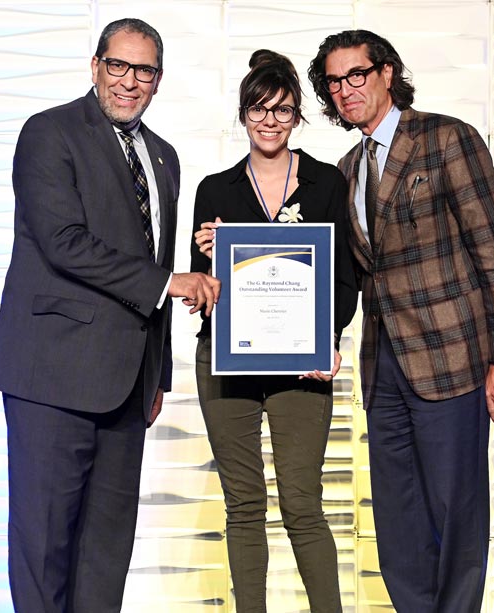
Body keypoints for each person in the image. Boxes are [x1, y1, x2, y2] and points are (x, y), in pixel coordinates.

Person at [0, 18, 220, 612]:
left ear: (158, 81)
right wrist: (169, 281)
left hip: (128, 384)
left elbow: (154, 255)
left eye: (143, 71)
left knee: (106, 553)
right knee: (44, 548)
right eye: (118, 66)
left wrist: (157, 372)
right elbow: (63, 241)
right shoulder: (50, 133)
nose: (128, 82)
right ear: (95, 66)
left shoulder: (163, 156)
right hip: (52, 375)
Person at [308, 30, 494, 612]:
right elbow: (345, 272)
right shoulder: (347, 167)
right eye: (334, 82)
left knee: (455, 512)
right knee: (398, 519)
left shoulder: (446, 138)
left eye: (356, 75)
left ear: (386, 74)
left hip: (452, 358)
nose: (345, 90)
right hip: (383, 370)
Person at [191, 50, 358, 613]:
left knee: (302, 505)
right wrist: (207, 263)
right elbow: (203, 289)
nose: (269, 121)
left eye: (282, 110)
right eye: (258, 110)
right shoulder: (215, 190)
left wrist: (329, 337)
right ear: (243, 115)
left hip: (301, 363)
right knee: (242, 504)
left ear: (297, 116)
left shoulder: (325, 182)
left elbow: (344, 277)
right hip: (227, 360)